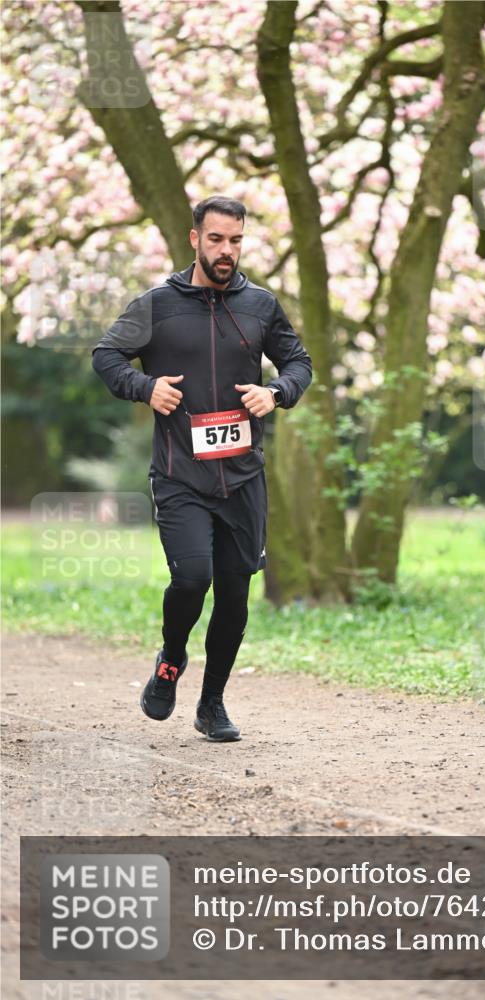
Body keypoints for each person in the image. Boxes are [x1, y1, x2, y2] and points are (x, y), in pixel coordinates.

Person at [92, 196, 312, 742]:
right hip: (180, 474)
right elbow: (106, 355)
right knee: (193, 577)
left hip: (242, 477)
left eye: (235, 241)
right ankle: (171, 658)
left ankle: (212, 703)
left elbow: (299, 362)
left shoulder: (260, 305)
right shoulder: (158, 304)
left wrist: (276, 392)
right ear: (195, 239)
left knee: (235, 595)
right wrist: (146, 388)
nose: (226, 251)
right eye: (216, 239)